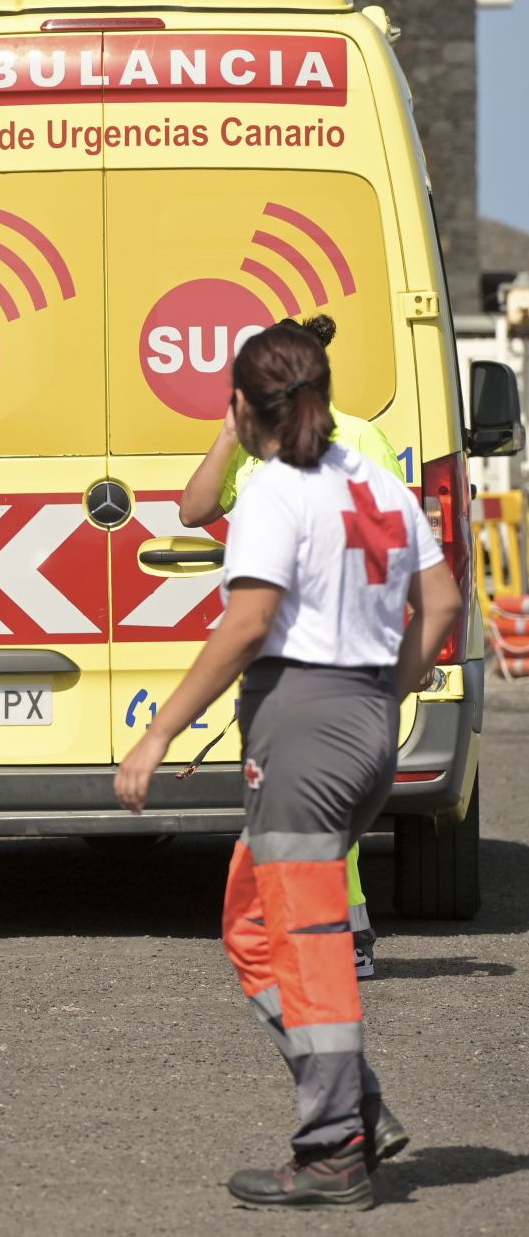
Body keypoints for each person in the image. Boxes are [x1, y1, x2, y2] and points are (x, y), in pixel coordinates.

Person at [115, 322, 461, 1210]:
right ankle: (358, 1105)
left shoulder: (274, 488)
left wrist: (157, 733)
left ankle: (333, 1148)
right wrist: (385, 690)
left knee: (304, 940)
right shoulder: (377, 480)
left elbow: (248, 622)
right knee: (251, 922)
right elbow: (444, 600)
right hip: (365, 726)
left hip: (304, 734)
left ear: (241, 406)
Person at [179, 314, 398, 980]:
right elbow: (193, 509)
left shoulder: (357, 436)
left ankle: (340, 933)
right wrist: (227, 435)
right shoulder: (250, 446)